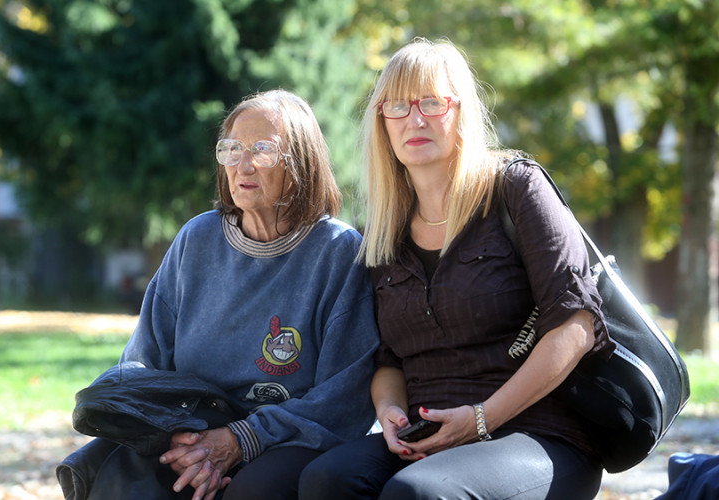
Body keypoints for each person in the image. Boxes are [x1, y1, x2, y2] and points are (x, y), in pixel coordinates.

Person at [299, 38, 615, 499]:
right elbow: (388, 360)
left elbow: (576, 328)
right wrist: (389, 411)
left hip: (538, 433)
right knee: (326, 480)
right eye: (399, 106)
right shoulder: (384, 231)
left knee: (417, 494)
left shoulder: (515, 189)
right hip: (429, 438)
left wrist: (481, 417)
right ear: (381, 122)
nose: (416, 118)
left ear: (460, 111)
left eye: (431, 101)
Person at [115, 89, 379, 500]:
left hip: (288, 438)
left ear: (301, 163)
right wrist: (173, 440)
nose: (243, 163)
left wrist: (240, 439)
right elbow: (142, 359)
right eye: (232, 148)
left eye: (263, 150)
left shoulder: (338, 252)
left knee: (252, 491)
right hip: (189, 432)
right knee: (116, 473)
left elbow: (341, 396)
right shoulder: (196, 239)